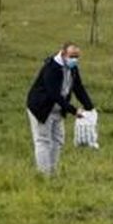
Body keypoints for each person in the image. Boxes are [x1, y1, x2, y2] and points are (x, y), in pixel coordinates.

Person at [26, 42, 95, 175]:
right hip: (42, 107)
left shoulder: (73, 68)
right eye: (72, 56)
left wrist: (90, 107)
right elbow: (54, 94)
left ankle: (53, 171)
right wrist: (74, 110)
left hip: (58, 108)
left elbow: (78, 87)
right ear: (63, 53)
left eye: (77, 56)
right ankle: (44, 174)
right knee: (43, 140)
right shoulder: (51, 68)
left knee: (58, 140)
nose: (74, 59)